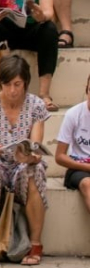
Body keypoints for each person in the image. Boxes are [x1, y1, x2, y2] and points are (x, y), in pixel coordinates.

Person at [0, 55, 49, 266]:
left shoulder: (36, 105)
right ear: (1, 84)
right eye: (7, 84)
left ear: (25, 82)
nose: (13, 90)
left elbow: (36, 146)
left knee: (34, 171)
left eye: (17, 84)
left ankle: (35, 244)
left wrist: (30, 156)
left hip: (23, 163)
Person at [54, 75, 90, 221]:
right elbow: (60, 156)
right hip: (79, 167)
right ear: (87, 89)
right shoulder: (74, 114)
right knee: (88, 184)